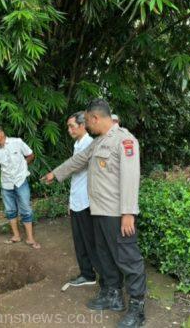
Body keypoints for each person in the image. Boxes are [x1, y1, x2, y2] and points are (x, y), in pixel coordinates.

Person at [44, 99, 146, 328]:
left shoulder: (125, 140)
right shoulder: (98, 142)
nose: (87, 125)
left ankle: (138, 309)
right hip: (98, 211)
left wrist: (128, 213)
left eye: (88, 121)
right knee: (104, 255)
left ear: (96, 118)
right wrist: (56, 173)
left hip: (117, 213)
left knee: (128, 259)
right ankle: (113, 295)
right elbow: (79, 160)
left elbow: (131, 178)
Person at [0, 125, 41, 249]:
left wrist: (24, 165)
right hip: (6, 184)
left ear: (1, 133)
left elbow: (30, 155)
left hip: (21, 181)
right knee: (10, 211)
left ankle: (30, 238)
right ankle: (16, 236)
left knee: (26, 210)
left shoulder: (17, 142)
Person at [63, 111, 104, 288]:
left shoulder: (90, 144)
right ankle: (87, 274)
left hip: (87, 201)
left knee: (90, 240)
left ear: (82, 126)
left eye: (72, 126)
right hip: (77, 200)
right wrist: (71, 202)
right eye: (68, 127)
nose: (69, 130)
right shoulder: (78, 144)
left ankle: (105, 278)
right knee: (80, 240)